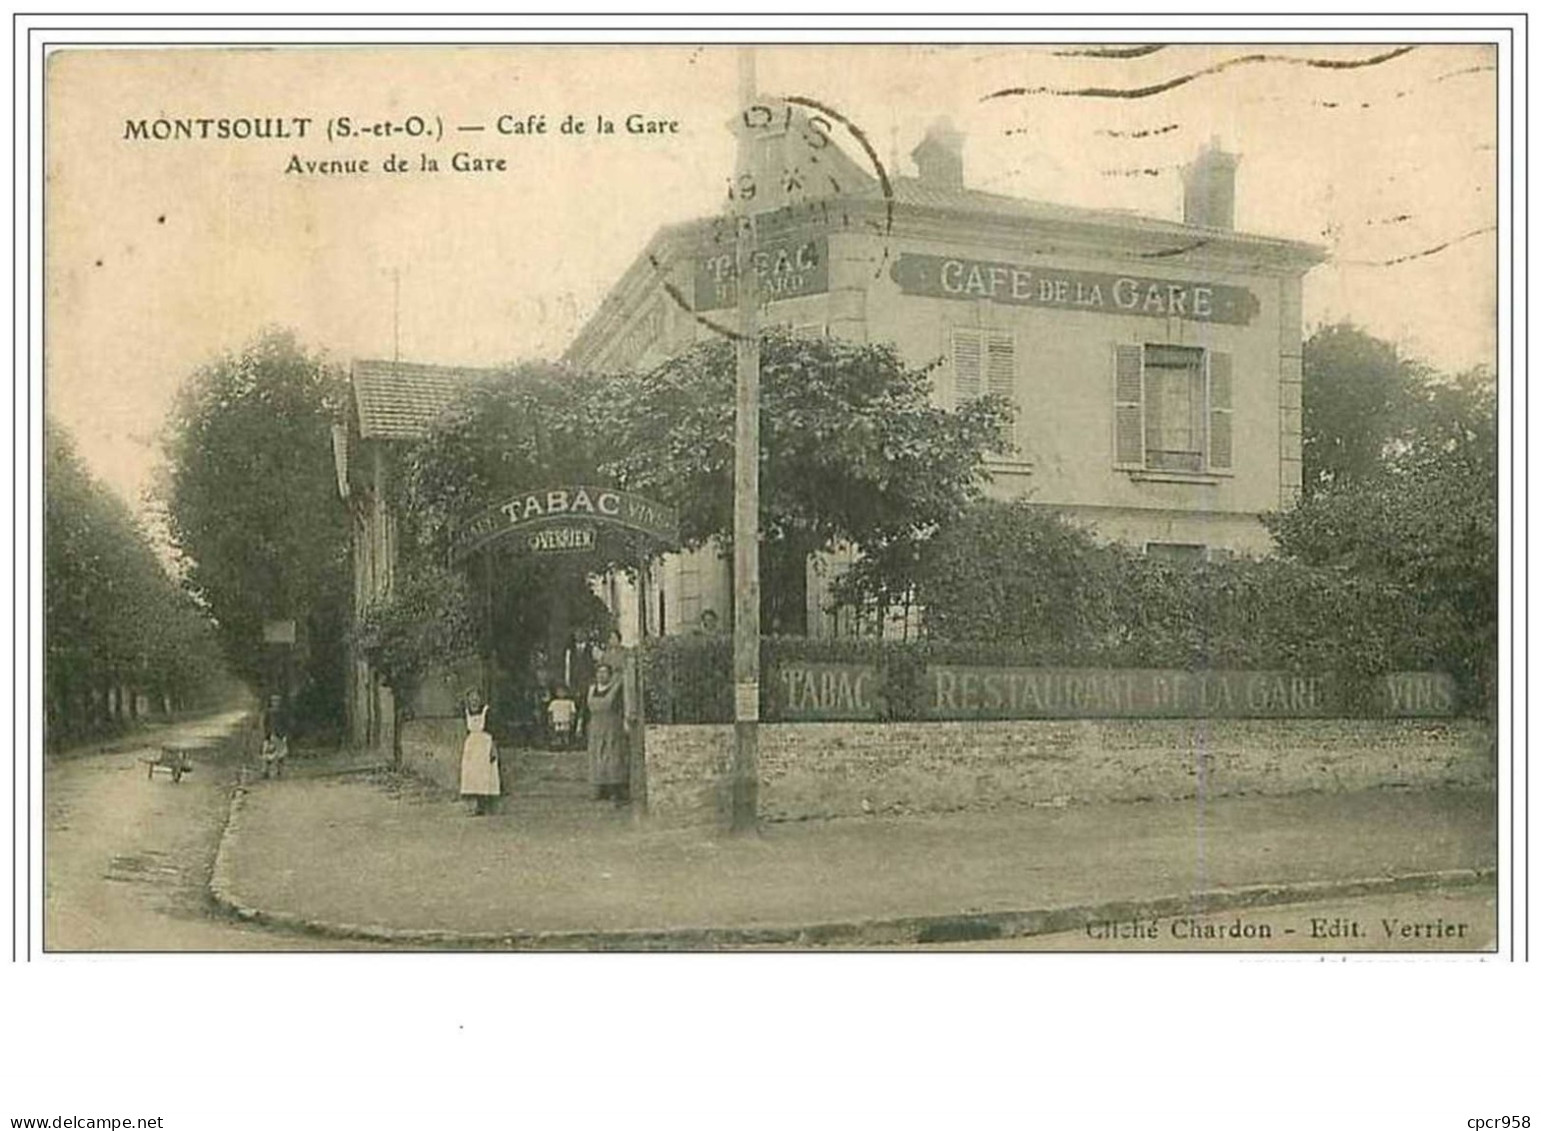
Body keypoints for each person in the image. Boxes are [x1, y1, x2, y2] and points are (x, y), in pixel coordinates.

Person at [586, 662, 629, 804]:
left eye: (604, 672)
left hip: (612, 726)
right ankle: (600, 788)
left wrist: (625, 722)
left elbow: (622, 707)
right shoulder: (591, 689)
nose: (601, 675)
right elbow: (585, 710)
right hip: (595, 727)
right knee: (597, 756)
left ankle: (615, 790)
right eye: (599, 672)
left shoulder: (617, 689)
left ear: (610, 675)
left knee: (613, 756)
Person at [459, 689, 501, 816]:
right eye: (471, 698)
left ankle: (486, 805)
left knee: (485, 773)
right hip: (472, 746)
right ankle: (475, 805)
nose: (474, 700)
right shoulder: (466, 712)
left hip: (484, 744)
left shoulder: (486, 712)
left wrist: (493, 748)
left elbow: (493, 732)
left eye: (476, 697)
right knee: (472, 774)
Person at [546, 684, 578, 749]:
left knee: (566, 733)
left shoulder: (570, 702)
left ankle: (566, 744)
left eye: (563, 692)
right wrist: (550, 720)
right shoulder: (554, 702)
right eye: (559, 692)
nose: (561, 694)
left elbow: (573, 712)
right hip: (557, 720)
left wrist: (572, 720)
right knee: (558, 732)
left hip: (566, 720)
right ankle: (558, 744)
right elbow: (550, 712)